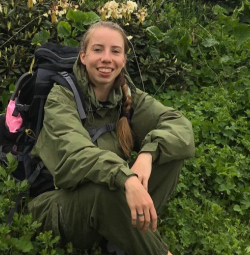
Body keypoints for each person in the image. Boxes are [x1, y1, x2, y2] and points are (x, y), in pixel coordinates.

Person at [28, 21, 195, 255]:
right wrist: (126, 179)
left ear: (124, 60)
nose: (107, 58)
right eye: (98, 49)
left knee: (168, 156)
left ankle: (123, 233)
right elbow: (75, 155)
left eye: (115, 51)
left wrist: (148, 153)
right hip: (54, 206)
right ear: (83, 57)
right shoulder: (61, 98)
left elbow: (180, 127)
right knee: (107, 188)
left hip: (105, 199)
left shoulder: (127, 96)